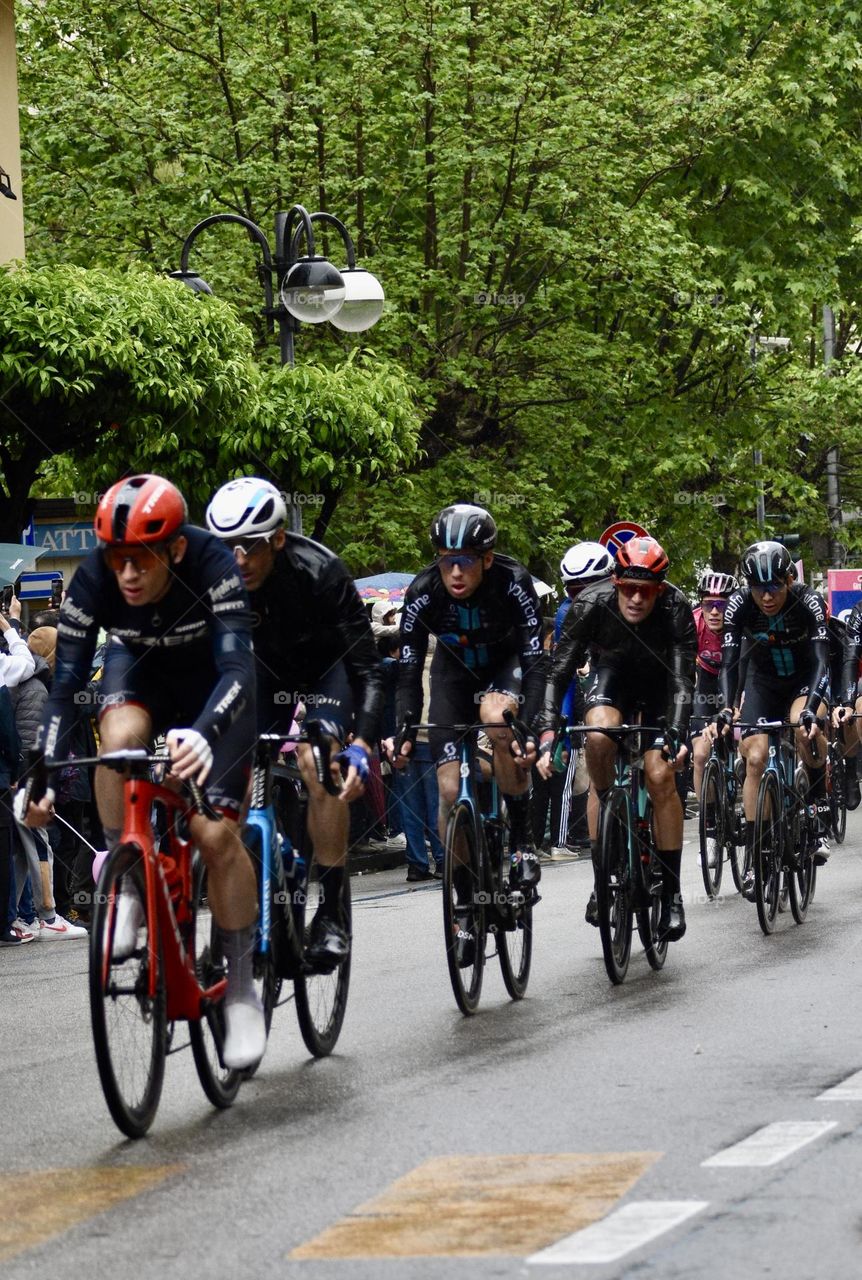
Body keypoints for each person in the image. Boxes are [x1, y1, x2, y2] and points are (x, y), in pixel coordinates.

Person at [18, 474, 265, 1069]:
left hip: (216, 687)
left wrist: (204, 735)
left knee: (213, 834)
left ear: (174, 550)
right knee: (118, 743)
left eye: (141, 559)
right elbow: (68, 683)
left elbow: (239, 668)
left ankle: (240, 990)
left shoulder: (211, 562)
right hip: (143, 671)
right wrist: (43, 770)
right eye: (117, 558)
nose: (127, 573)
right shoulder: (98, 578)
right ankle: (125, 870)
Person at [206, 477, 384, 968]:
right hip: (259, 673)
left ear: (278, 539)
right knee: (225, 790)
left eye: (250, 547)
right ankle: (233, 921)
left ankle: (331, 911)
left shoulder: (322, 572)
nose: (237, 559)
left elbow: (367, 668)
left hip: (326, 671)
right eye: (226, 547)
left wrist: (363, 742)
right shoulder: (211, 579)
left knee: (316, 760)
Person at [388, 503, 544, 964]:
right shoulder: (423, 592)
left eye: (466, 561)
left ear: (487, 559)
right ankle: (463, 900)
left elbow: (537, 662)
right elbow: (408, 668)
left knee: (497, 720)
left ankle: (519, 843)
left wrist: (531, 725)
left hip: (506, 666)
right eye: (445, 560)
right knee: (448, 787)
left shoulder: (514, 584)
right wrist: (402, 727)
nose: (454, 571)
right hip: (453, 677)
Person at [536, 536, 696, 941]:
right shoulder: (591, 602)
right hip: (613, 678)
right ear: (616, 582)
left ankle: (672, 894)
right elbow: (559, 670)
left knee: (660, 776)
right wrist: (549, 727)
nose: (637, 599)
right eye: (629, 588)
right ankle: (605, 851)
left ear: (659, 590)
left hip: (661, 686)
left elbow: (681, 678)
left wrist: (676, 730)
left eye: (646, 591)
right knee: (598, 736)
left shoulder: (676, 608)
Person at [710, 540, 830, 882]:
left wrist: (811, 711)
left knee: (800, 726)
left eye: (774, 586)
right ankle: (755, 852)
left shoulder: (809, 601)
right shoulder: (738, 606)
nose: (766, 596)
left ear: (789, 581)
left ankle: (817, 811)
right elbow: (729, 664)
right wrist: (726, 708)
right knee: (756, 756)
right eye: (758, 588)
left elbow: (822, 661)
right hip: (762, 681)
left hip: (805, 679)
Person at [690, 570, 738, 800]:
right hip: (706, 680)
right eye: (709, 605)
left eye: (722, 604)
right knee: (699, 754)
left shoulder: (740, 623)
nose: (715, 612)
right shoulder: (693, 622)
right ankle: (708, 823)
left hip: (736, 679)